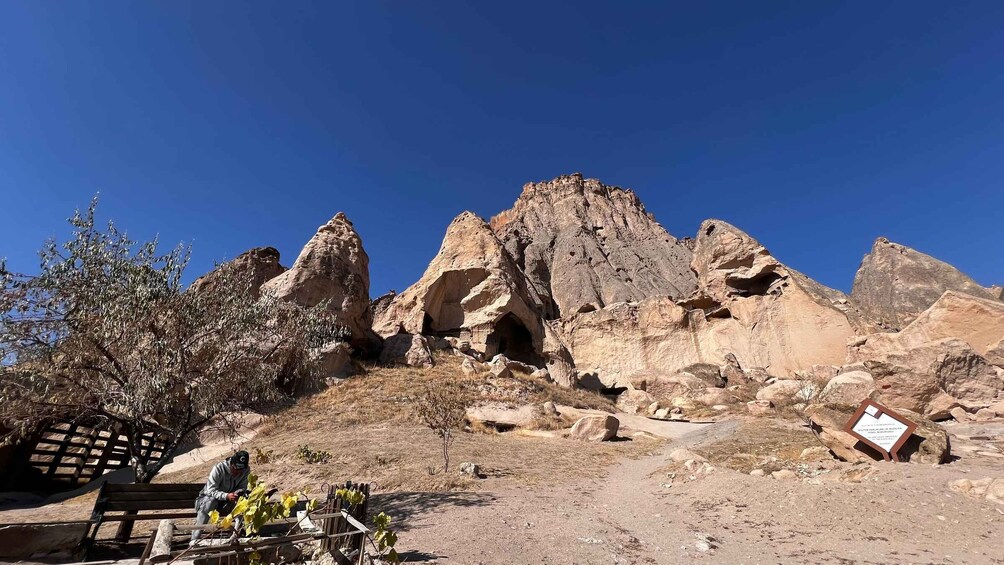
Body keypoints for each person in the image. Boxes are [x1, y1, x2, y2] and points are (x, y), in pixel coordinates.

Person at [190, 450, 251, 547]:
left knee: (243, 503)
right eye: (235, 468)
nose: (237, 472)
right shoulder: (218, 468)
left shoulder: (246, 470)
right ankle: (194, 541)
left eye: (241, 469)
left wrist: (238, 493)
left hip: (226, 503)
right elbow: (210, 490)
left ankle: (235, 537)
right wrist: (226, 496)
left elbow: (242, 487)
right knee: (210, 502)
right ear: (231, 464)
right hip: (206, 501)